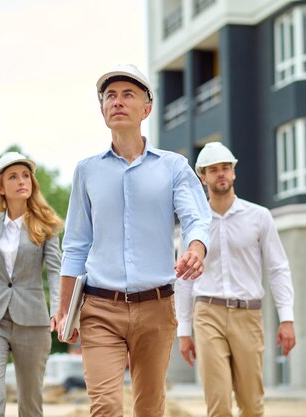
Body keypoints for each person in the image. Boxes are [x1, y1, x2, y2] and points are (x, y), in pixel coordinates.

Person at [55, 64, 212, 417]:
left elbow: (195, 218)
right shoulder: (87, 171)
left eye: (128, 94)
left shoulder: (173, 167)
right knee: (106, 406)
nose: (118, 102)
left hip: (156, 307)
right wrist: (65, 308)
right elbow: (76, 243)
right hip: (99, 308)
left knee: (149, 407)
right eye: (110, 96)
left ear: (147, 108)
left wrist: (196, 248)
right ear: (102, 110)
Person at [176, 142, 296, 417]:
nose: (221, 174)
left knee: (252, 405)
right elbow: (183, 278)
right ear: (202, 177)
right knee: (218, 404)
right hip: (207, 314)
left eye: (226, 168)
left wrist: (286, 319)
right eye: (214, 170)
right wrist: (184, 331)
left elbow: (278, 268)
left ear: (234, 173)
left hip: (248, 315)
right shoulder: (194, 223)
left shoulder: (259, 217)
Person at [0, 151, 63, 417]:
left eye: (26, 175)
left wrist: (57, 310)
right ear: (1, 187)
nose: (22, 181)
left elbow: (55, 272)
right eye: (13, 177)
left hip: (32, 320)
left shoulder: (46, 225)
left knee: (30, 403)